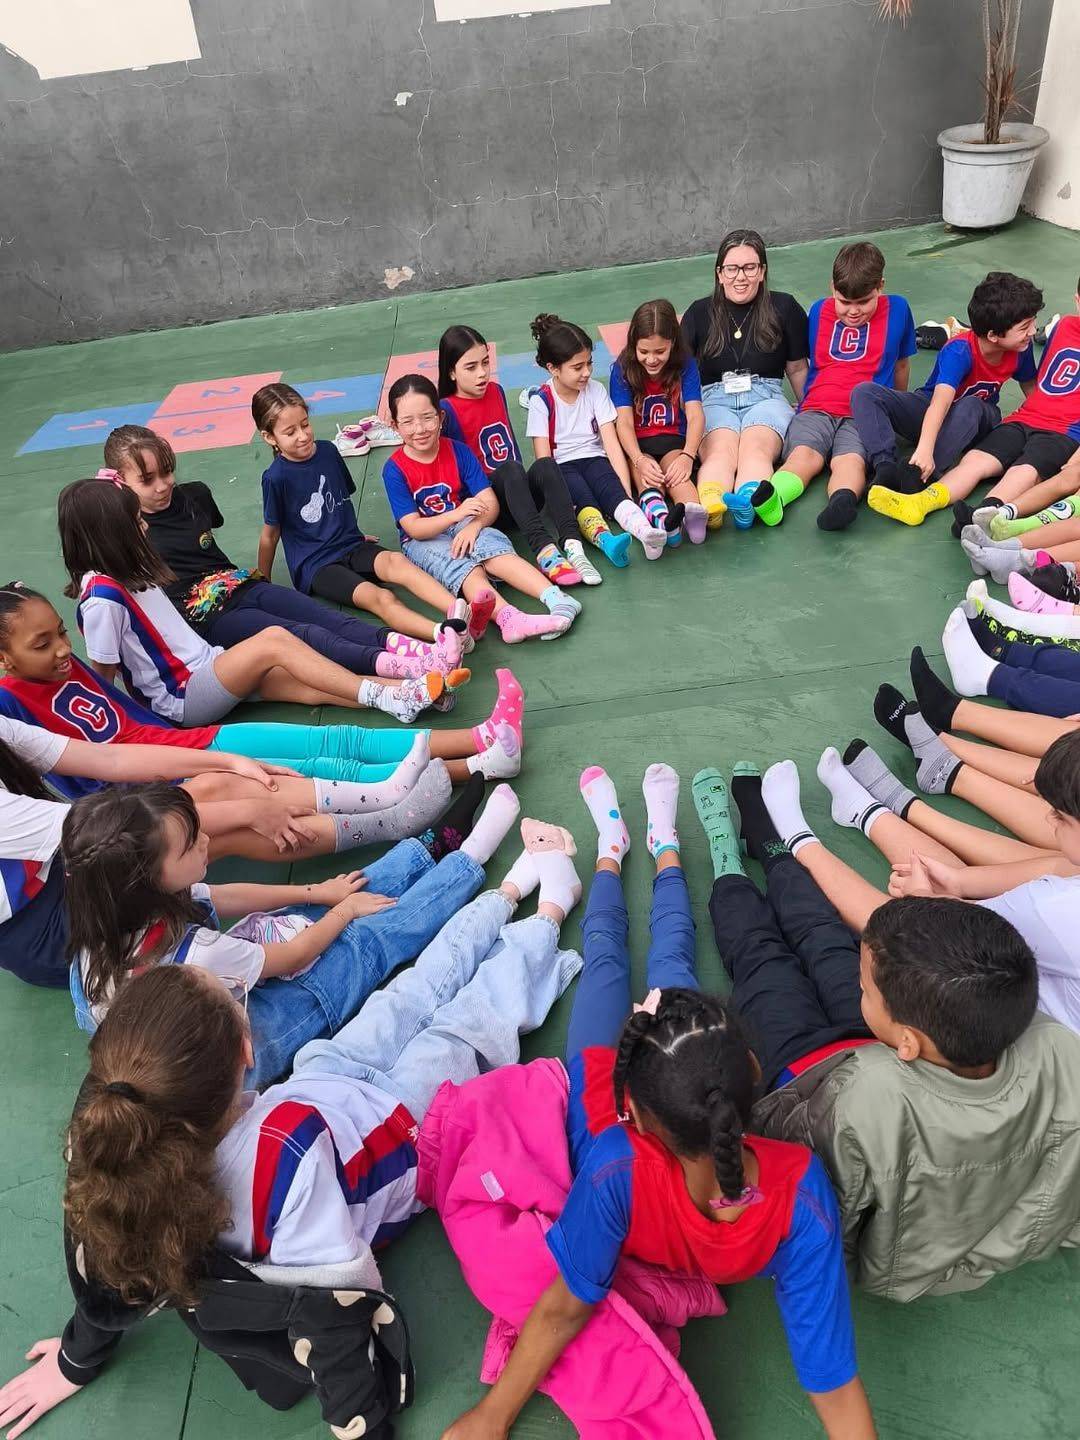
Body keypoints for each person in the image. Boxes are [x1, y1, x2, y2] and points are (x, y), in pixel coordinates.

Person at [0, 830, 582, 1436]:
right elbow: (336, 1310)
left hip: (324, 1084)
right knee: (463, 1027)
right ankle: (547, 909)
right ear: (246, 1052)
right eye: (234, 1000)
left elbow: (100, 1266)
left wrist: (75, 1360)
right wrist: (365, 1425)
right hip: (400, 1139)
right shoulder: (282, 1154)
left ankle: (506, 894)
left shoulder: (109, 1139)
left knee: (410, 997)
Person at [441, 764, 875, 1440]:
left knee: (606, 958)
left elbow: (563, 1307)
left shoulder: (616, 1163)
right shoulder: (803, 1190)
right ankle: (657, 842)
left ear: (634, 1115)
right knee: (668, 950)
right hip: (655, 1076)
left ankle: (613, 853)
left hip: (600, 1085)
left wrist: (491, 1417)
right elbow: (835, 1387)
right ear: (751, 1072)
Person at [690, 765, 1080, 1302]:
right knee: (826, 938)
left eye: (866, 987)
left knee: (762, 957)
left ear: (907, 1042)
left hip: (805, 1069)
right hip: (876, 1045)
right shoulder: (1052, 1046)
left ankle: (729, 866)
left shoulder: (866, 1103)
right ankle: (774, 848)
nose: (861, 985)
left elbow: (806, 1172)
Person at [63, 780, 522, 1086]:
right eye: (190, 845)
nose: (206, 841)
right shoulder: (196, 956)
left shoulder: (106, 928)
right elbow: (296, 956)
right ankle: (468, 860)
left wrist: (316, 892)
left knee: (306, 910)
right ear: (149, 881)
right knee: (359, 946)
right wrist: (343, 911)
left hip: (200, 1015)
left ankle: (428, 847)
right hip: (252, 1040)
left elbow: (222, 896)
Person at [0, 582, 526, 789]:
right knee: (326, 767)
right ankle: (478, 763)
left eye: (61, 634)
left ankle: (481, 740)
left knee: (334, 741)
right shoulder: (12, 702)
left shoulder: (61, 667)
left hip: (181, 743)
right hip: (177, 770)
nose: (62, 649)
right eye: (43, 644)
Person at [58, 479, 467, 727]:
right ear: (109, 533)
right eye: (135, 521)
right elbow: (101, 681)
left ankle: (408, 694)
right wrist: (139, 731)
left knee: (312, 685)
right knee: (274, 640)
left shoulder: (129, 570)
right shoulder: (102, 599)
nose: (146, 524)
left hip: (212, 666)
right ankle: (394, 693)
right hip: (183, 696)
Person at [758, 735, 1080, 1036]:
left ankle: (796, 838)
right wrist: (957, 883)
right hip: (1036, 984)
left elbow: (964, 928)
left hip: (1017, 1027)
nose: (1049, 819)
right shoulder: (1055, 901)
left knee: (914, 931)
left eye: (1061, 817)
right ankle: (864, 811)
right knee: (954, 882)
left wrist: (923, 898)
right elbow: (1055, 872)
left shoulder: (1055, 908)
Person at [104, 424, 462, 665]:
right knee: (301, 635)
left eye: (167, 472)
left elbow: (205, 545)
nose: (163, 485)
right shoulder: (125, 533)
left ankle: (425, 647)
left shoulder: (194, 495)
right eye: (147, 480)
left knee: (325, 616)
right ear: (119, 481)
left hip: (240, 584)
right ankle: (409, 666)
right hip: (207, 616)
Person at [0, 720, 316, 987]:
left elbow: (109, 759)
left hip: (66, 868)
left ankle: (346, 799)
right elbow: (115, 832)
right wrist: (248, 811)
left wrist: (229, 762)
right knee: (189, 837)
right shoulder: (202, 951)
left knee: (208, 794)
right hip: (47, 931)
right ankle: (343, 819)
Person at [382, 375, 576, 641]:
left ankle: (557, 598)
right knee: (467, 568)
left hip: (463, 522)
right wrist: (456, 514)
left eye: (427, 417)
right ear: (395, 425)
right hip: (423, 538)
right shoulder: (394, 469)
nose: (420, 428)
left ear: (441, 417)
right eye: (408, 421)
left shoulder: (458, 451)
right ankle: (510, 619)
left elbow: (489, 503)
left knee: (493, 549)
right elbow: (414, 527)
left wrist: (474, 526)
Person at [751, 242, 916, 532]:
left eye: (863, 302)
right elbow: (810, 366)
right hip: (817, 406)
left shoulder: (898, 309)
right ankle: (774, 497)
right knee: (803, 456)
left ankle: (842, 501)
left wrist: (895, 407)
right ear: (832, 288)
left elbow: (901, 365)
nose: (853, 311)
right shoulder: (819, 310)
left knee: (850, 460)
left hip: (863, 412)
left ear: (880, 286)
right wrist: (804, 403)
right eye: (844, 302)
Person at [860, 271, 1041, 524]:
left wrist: (1047, 425)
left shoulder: (1020, 349)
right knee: (865, 392)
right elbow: (939, 403)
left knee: (971, 405)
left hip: (978, 419)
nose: (1033, 331)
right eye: (1024, 327)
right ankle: (885, 466)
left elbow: (1031, 388)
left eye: (1033, 323)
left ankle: (921, 476)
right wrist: (924, 449)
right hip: (932, 408)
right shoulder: (959, 351)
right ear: (993, 335)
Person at [437, 326, 593, 586]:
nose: (482, 372)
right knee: (510, 469)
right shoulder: (446, 410)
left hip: (520, 495)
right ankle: (545, 551)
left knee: (545, 464)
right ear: (451, 372)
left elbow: (512, 446)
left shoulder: (496, 391)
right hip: (488, 508)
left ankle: (573, 545)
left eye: (485, 362)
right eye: (471, 367)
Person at [680, 229, 809, 529]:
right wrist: (686, 413)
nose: (741, 277)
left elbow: (797, 368)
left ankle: (748, 503)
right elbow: (684, 375)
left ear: (762, 271)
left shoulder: (785, 307)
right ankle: (712, 506)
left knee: (756, 448)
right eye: (732, 268)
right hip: (713, 398)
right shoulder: (699, 312)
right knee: (719, 452)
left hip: (766, 396)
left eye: (750, 267)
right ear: (719, 274)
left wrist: (808, 407)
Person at [938, 290, 1080, 541]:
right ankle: (927, 498)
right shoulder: (1065, 326)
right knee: (977, 458)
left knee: (1026, 469)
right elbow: (1043, 381)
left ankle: (985, 512)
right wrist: (1034, 409)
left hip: (1067, 430)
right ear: (1077, 299)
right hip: (1028, 416)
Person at [525, 313, 662, 564]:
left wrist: (624, 488)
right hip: (562, 468)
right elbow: (544, 462)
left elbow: (611, 443)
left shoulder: (595, 390)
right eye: (577, 367)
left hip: (595, 460)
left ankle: (647, 534)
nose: (587, 372)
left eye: (589, 363)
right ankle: (607, 542)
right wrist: (559, 499)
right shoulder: (541, 401)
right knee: (586, 503)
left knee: (615, 496)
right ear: (553, 368)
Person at [610, 299, 708, 544]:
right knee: (648, 482)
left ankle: (693, 514)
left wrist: (688, 455)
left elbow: (695, 414)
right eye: (644, 352)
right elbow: (624, 422)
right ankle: (666, 524)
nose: (651, 359)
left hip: (673, 440)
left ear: (673, 343)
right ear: (634, 344)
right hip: (638, 445)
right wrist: (638, 459)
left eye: (660, 352)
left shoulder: (685, 364)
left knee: (679, 478)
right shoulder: (622, 368)